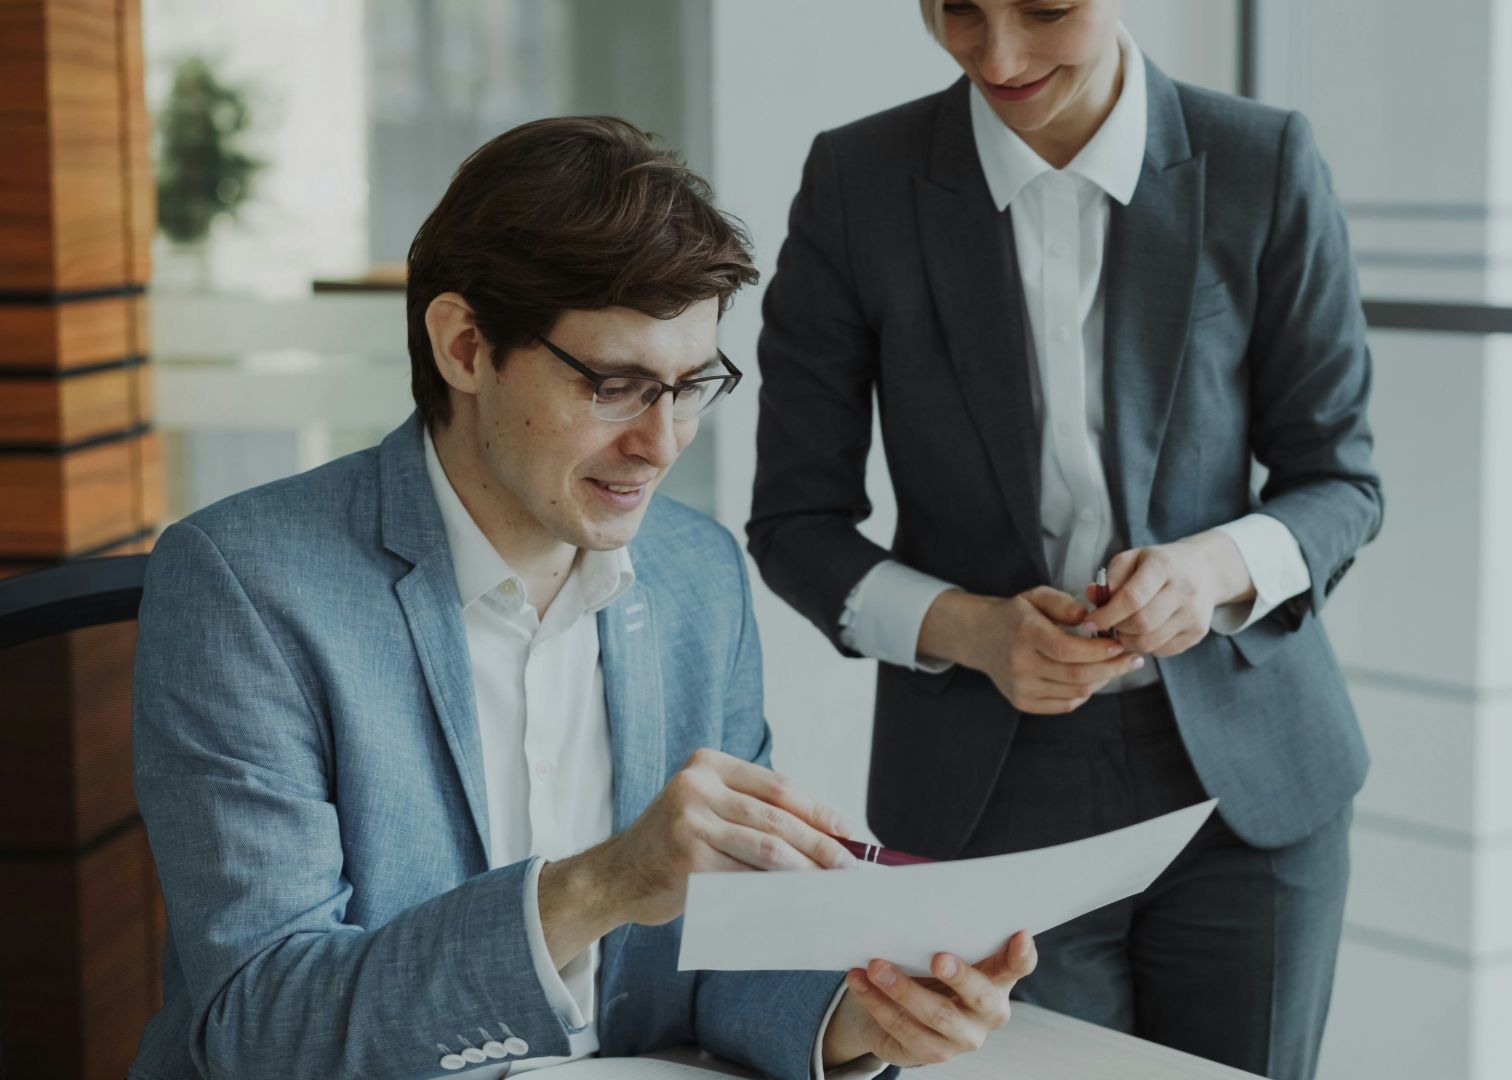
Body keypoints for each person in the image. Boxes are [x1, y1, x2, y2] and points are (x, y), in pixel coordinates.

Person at [128, 116, 1031, 1080]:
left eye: (692, 386)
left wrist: (860, 1018)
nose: (664, 442)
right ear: (465, 347)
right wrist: (605, 884)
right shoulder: (245, 586)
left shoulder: (696, 573)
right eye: (615, 385)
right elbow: (263, 1024)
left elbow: (719, 953)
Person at [748, 3, 1382, 1077]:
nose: (997, 56)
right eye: (958, 8)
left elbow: (1340, 482)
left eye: (1045, 8)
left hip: (1253, 793)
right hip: (987, 800)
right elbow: (795, 523)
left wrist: (1212, 569)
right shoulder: (859, 182)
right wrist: (971, 630)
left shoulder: (1263, 161)